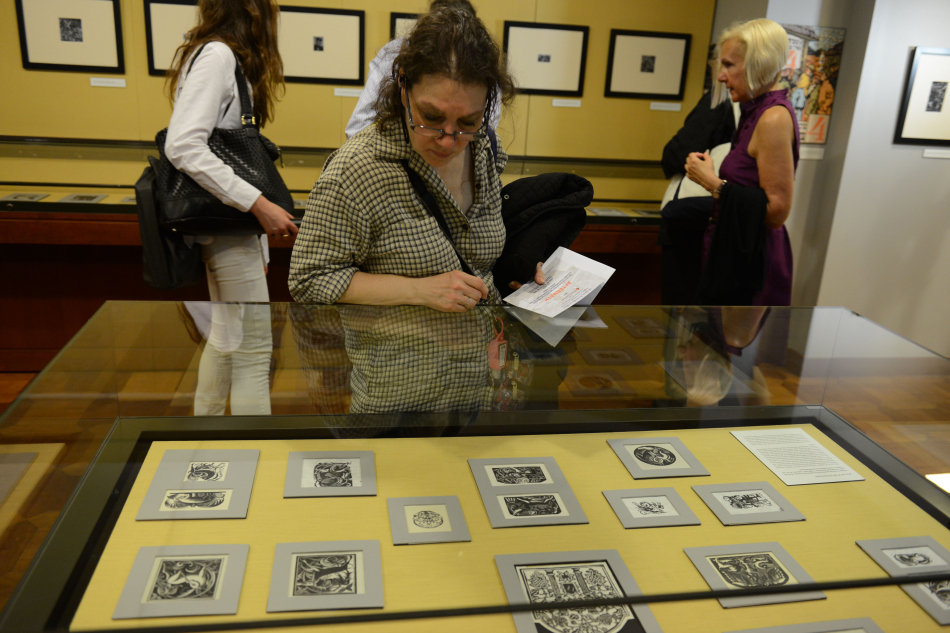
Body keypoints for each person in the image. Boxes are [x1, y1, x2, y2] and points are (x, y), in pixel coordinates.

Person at [289, 7, 542, 310]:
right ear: (403, 87)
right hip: (398, 340)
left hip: (481, 337)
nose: (448, 141)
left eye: (468, 121)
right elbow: (309, 278)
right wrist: (418, 291)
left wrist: (520, 268)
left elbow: (479, 259)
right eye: (431, 117)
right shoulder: (356, 169)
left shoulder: (484, 148)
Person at [164, 0, 297, 414]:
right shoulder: (219, 55)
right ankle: (251, 445)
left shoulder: (211, 53)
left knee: (226, 337)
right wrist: (258, 204)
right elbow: (183, 145)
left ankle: (205, 435)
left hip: (227, 231)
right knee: (254, 349)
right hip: (229, 231)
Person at [685, 19, 799, 306]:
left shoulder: (772, 118)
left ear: (759, 65)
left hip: (753, 261)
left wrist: (713, 183)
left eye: (729, 65)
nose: (721, 76)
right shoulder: (754, 111)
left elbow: (777, 211)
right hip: (737, 250)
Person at [344, 0, 501, 139]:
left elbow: (487, 129)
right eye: (431, 116)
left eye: (467, 121)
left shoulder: (484, 60)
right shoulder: (397, 52)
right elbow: (358, 126)